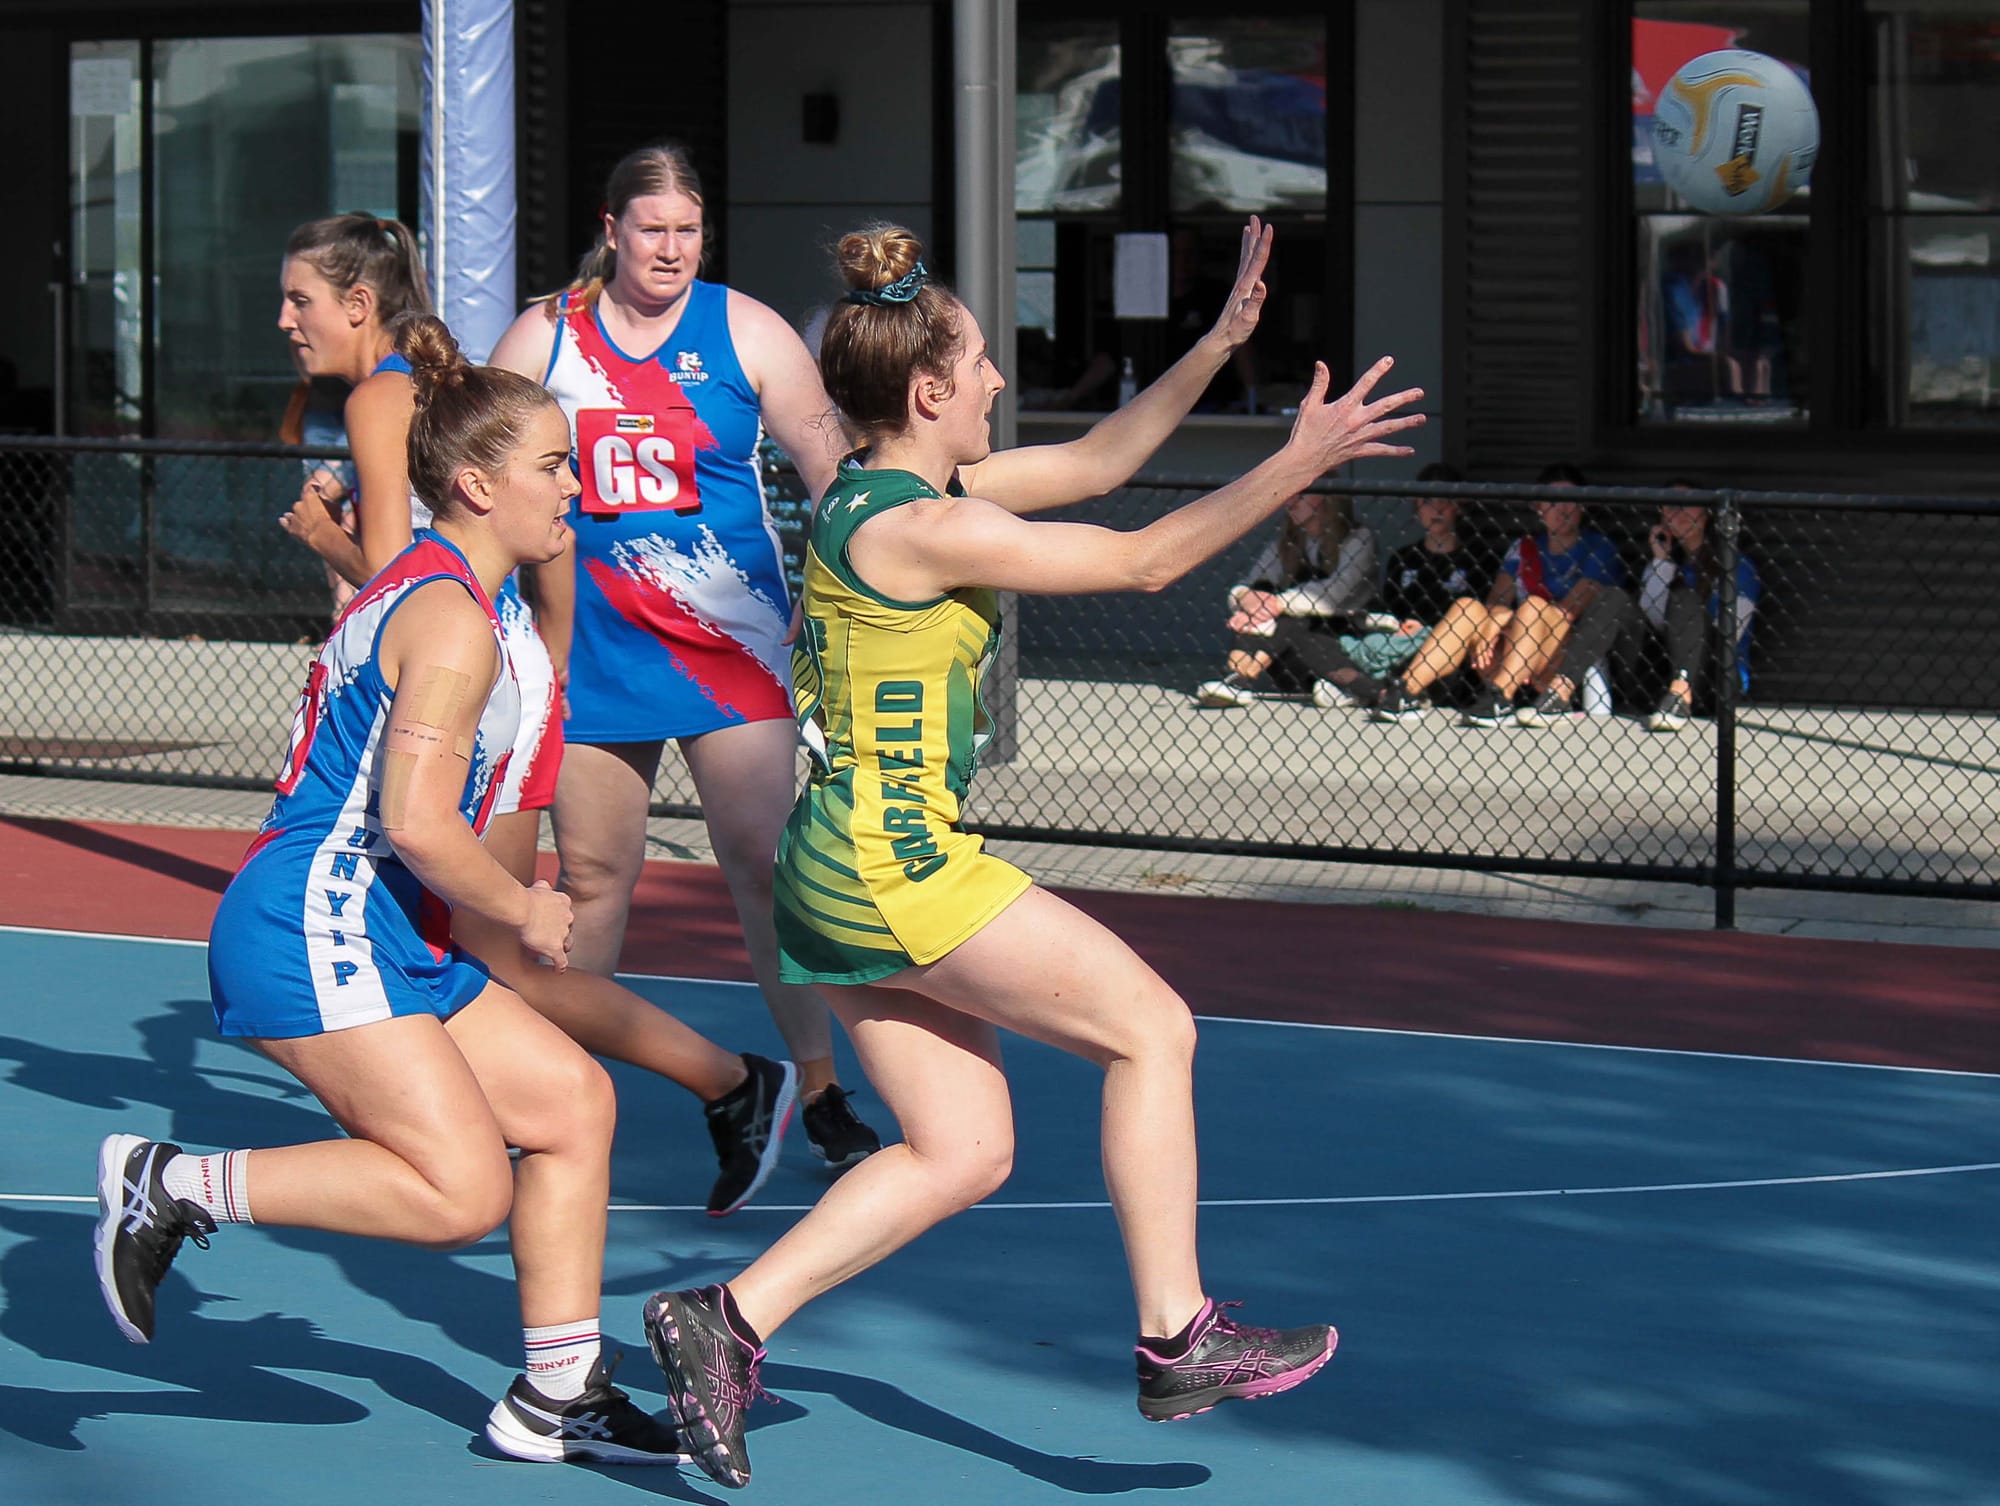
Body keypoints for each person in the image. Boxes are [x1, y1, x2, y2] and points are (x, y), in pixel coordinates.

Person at [639, 222, 1425, 1490]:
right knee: (1151, 1032)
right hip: (896, 864)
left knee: (962, 1151)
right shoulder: (920, 530)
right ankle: (1176, 1336)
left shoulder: (885, 495)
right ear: (927, 393)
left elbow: (1104, 463)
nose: (999, 381)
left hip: (831, 867)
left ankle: (720, 1323)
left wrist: (1213, 349)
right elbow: (1146, 561)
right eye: (979, 366)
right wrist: (1298, 461)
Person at [92, 318, 685, 1465]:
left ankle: (558, 1391)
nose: (573, 486)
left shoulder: (441, 587)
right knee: (460, 1193)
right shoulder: (454, 622)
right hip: (318, 916)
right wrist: (524, 907)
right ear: (477, 484)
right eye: (552, 465)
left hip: (376, 922)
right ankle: (175, 1184)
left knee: (571, 1104)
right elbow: (414, 822)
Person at [273, 213, 791, 1218]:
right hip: (505, 667)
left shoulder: (383, 400)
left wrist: (324, 541)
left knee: (494, 941)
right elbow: (547, 545)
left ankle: (724, 1082)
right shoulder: (443, 393)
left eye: (302, 300)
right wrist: (542, 659)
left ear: (358, 304)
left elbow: (398, 579)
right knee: (481, 939)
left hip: (472, 677)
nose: (289, 321)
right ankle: (703, 1086)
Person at [488, 142, 882, 1170]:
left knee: (762, 866)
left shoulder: (745, 329)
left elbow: (834, 472)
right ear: (612, 230)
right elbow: (476, 461)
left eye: (688, 230)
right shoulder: (545, 334)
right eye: (651, 229)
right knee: (592, 880)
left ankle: (819, 1086)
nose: (670, 248)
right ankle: (558, 1094)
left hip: (728, 646)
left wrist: (828, 586)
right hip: (591, 646)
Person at [1373, 464, 1627, 728]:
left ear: (1583, 505)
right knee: (1468, 607)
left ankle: (1500, 698)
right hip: (1512, 646)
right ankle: (1406, 690)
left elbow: (1568, 610)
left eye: (1571, 500)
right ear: (1538, 507)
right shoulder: (1524, 547)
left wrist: (1514, 621)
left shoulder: (1598, 548)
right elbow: (1498, 601)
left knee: (1533, 607)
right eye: (1553, 501)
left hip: (1556, 655)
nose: (1562, 509)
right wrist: (1497, 623)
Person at [1190, 491, 1378, 708]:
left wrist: (1276, 604)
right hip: (1289, 652)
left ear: (1326, 497)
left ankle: (1238, 678)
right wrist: (1247, 598)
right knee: (1273, 608)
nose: (1290, 502)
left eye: (1300, 496)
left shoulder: (1357, 538)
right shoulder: (1287, 542)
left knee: (1292, 617)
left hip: (1342, 633)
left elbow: (1331, 594)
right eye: (1289, 495)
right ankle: (1353, 688)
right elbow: (1255, 581)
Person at [1360, 462, 1499, 718]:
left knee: (1467, 611)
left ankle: (1406, 692)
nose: (1436, 509)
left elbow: (1482, 615)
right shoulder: (1403, 558)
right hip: (1404, 646)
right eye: (1427, 501)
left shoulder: (1479, 558)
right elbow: (1388, 607)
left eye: (1444, 500)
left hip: (1456, 659)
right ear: (1416, 506)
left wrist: (1427, 629)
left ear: (1458, 505)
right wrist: (1399, 625)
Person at [1638, 484, 1762, 731]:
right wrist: (1662, 561)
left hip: (1716, 678)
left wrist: (1691, 619)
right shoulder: (1662, 564)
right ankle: (1677, 691)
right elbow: (1653, 618)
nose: (1679, 512)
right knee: (1681, 599)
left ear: (1706, 513)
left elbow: (1731, 631)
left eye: (1687, 503)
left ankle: (1681, 691)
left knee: (1686, 601)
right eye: (1670, 506)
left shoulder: (1736, 566)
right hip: (1665, 673)